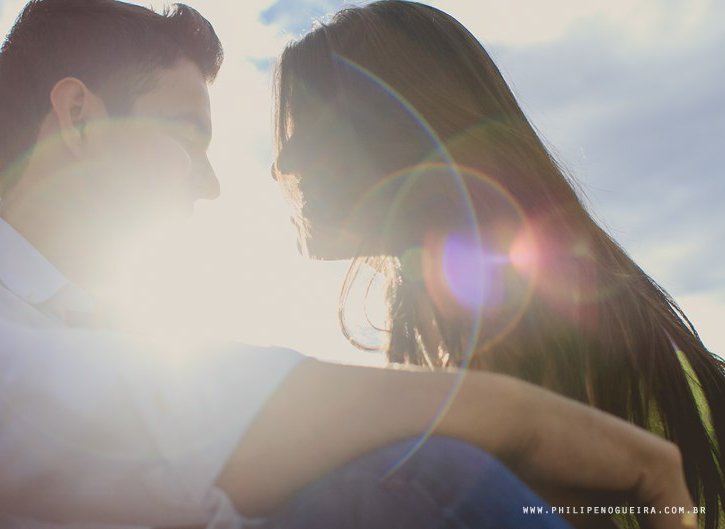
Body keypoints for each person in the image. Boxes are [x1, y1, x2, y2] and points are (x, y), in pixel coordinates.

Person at [0, 1, 696, 529]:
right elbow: (145, 412)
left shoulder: (156, 345)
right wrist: (496, 411)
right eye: (184, 135)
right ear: (77, 119)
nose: (217, 182)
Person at [271, 1, 725, 528]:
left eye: (313, 125)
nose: (286, 160)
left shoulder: (516, 304)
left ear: (404, 127)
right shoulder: (506, 287)